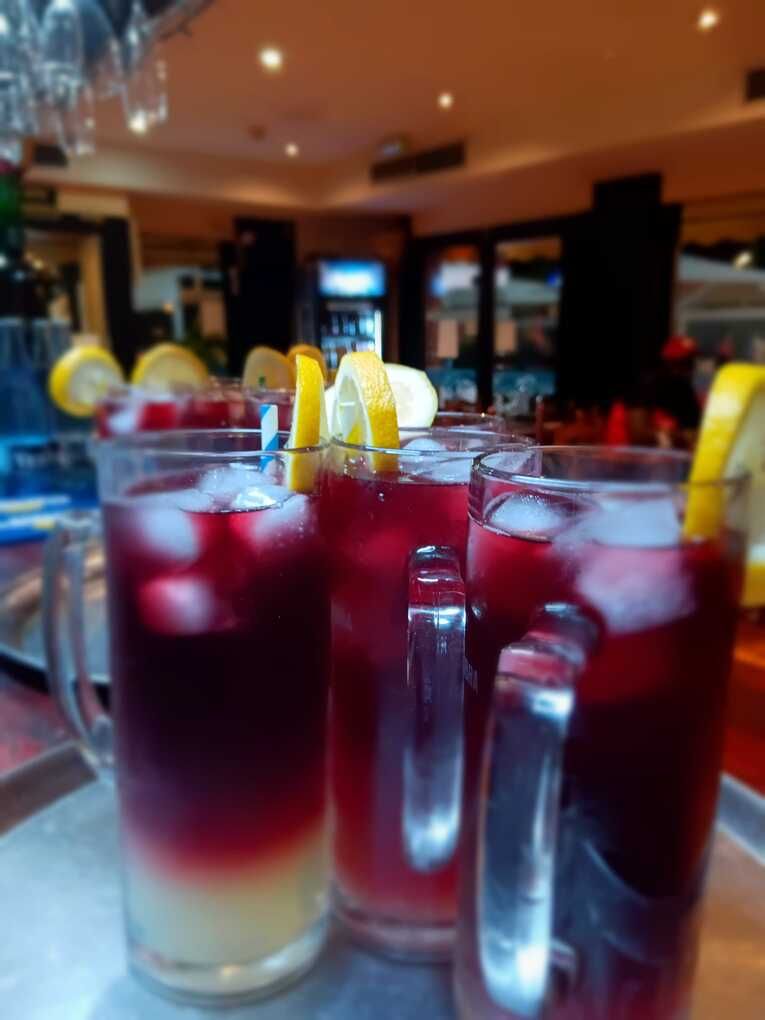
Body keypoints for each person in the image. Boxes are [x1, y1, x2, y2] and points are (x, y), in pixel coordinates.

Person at [654, 334, 701, 446]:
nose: (690, 369)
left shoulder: (687, 392)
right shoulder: (650, 389)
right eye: (684, 363)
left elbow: (693, 432)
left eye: (691, 363)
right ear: (668, 363)